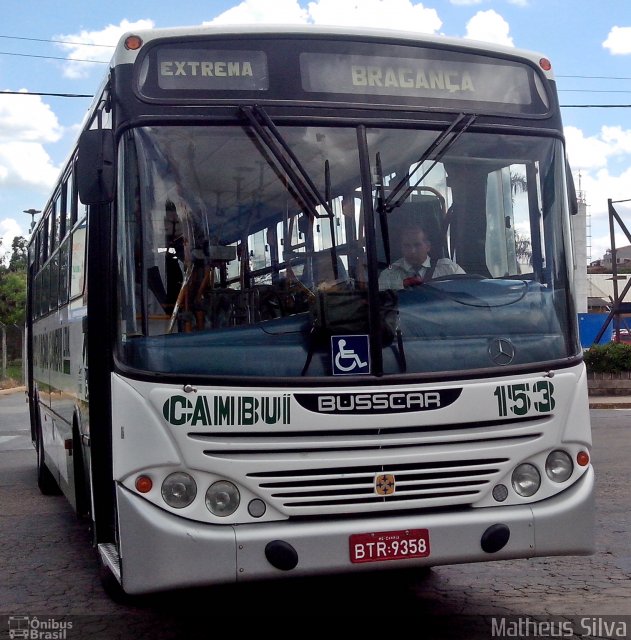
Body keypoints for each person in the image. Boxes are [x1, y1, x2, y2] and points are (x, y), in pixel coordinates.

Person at [378, 225, 464, 290]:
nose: (412, 251)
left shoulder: (450, 270)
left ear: (428, 247)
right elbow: (382, 309)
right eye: (407, 246)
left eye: (417, 245)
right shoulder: (388, 276)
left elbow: (468, 296)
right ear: (401, 248)